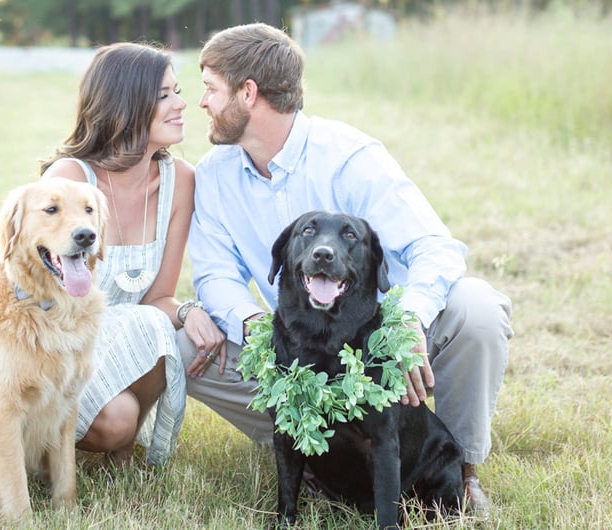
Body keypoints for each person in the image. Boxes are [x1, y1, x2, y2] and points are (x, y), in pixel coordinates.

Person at [178, 23, 513, 515]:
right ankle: (312, 447)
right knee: (186, 344)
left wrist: (409, 321)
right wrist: (250, 324)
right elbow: (214, 274)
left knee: (478, 307)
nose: (201, 102)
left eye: (209, 88)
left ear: (248, 93)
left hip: (378, 348)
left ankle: (461, 474)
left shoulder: (350, 156)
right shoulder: (213, 174)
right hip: (294, 347)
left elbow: (435, 248)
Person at [40, 42, 224, 466]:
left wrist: (188, 311)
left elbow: (157, 299)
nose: (182, 104)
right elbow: (33, 300)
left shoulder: (180, 180)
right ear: (125, 104)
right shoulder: (70, 179)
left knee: (171, 330)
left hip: (124, 345)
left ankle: (117, 452)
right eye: (164, 95)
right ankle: (63, 439)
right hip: (61, 349)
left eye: (177, 91)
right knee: (117, 418)